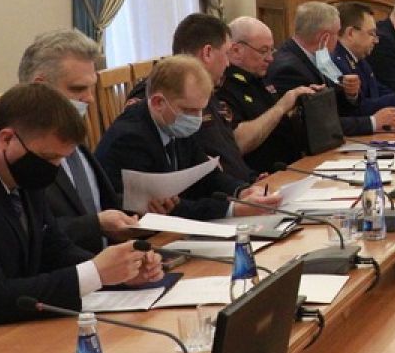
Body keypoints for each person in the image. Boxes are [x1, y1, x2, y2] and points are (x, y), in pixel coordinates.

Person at [0, 83, 162, 326]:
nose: (54, 168)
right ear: (7, 138)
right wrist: (95, 273)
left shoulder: (20, 169)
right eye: (49, 157)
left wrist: (120, 270)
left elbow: (55, 249)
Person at [17, 30, 170, 250]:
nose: (89, 98)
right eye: (78, 89)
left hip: (112, 259)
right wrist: (96, 225)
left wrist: (141, 209)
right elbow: (30, 233)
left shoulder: (70, 135)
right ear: (40, 86)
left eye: (91, 88)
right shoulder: (17, 152)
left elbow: (99, 204)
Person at [96, 56, 281, 221]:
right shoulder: (130, 139)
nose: (196, 118)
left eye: (201, 109)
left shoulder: (172, 122)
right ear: (158, 102)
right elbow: (166, 209)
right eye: (189, 110)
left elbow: (205, 174)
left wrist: (241, 191)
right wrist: (232, 209)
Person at [127, 14, 254, 184]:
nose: (228, 63)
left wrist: (248, 182)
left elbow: (226, 150)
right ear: (207, 52)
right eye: (226, 53)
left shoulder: (203, 89)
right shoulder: (159, 92)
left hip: (237, 187)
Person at [265, 1, 395, 135]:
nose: (338, 40)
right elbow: (316, 125)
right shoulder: (288, 69)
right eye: (337, 33)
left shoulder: (319, 56)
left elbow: (338, 105)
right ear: (324, 38)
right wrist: (372, 122)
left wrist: (350, 94)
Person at [215, 17, 316, 174]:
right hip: (261, 176)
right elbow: (238, 142)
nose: (270, 58)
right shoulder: (224, 87)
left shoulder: (260, 77)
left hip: (293, 168)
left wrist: (303, 102)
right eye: (263, 51)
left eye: (271, 50)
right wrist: (281, 107)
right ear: (236, 50)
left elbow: (278, 123)